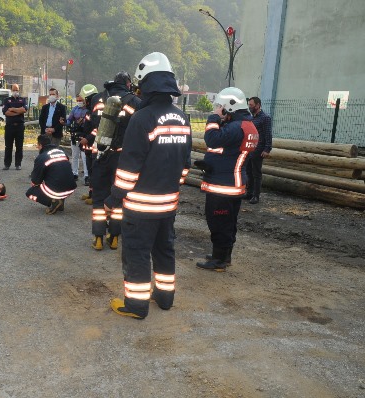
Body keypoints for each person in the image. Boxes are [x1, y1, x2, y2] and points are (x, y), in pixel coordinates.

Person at [104, 52, 192, 320]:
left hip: (141, 207)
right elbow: (185, 165)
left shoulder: (142, 119)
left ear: (145, 84)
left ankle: (136, 305)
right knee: (165, 251)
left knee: (137, 254)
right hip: (169, 204)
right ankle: (165, 298)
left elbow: (129, 168)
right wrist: (171, 188)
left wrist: (114, 198)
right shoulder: (183, 119)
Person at [195, 87, 258, 272]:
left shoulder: (235, 127)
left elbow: (212, 139)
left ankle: (218, 261)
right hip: (233, 182)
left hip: (223, 187)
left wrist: (213, 118)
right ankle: (223, 255)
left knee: (219, 223)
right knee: (229, 223)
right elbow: (227, 151)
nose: (219, 111)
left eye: (221, 108)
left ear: (230, 106)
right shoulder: (247, 126)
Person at [89, 71, 142, 251]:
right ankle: (114, 237)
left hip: (100, 153)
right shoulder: (134, 101)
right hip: (122, 157)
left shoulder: (98, 98)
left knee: (98, 197)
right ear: (128, 84)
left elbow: (92, 125)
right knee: (118, 199)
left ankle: (97, 237)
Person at [26, 134, 77, 215]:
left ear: (41, 145)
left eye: (37, 145)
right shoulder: (61, 151)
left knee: (30, 192)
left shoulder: (41, 157)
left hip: (57, 190)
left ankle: (54, 201)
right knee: (57, 177)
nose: (37, 147)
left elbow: (36, 181)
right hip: (71, 187)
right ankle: (60, 202)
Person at [246, 96, 272, 204]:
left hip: (259, 149)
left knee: (256, 173)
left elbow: (268, 134)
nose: (249, 107)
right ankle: (249, 193)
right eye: (249, 105)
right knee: (248, 172)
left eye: (251, 105)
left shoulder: (265, 118)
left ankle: (256, 196)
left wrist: (267, 149)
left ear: (258, 105)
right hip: (249, 149)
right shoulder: (251, 118)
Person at [2, 83, 28, 170]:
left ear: (19, 90)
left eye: (17, 90)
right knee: (8, 146)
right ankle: (7, 164)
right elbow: (6, 112)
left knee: (19, 146)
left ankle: (18, 164)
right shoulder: (7, 100)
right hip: (9, 127)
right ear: (11, 90)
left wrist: (12, 109)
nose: (15, 91)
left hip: (19, 127)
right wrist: (18, 111)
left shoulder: (23, 100)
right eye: (14, 90)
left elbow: (24, 109)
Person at [66, 94, 89, 181]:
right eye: (78, 100)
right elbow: (69, 120)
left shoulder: (88, 109)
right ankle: (74, 173)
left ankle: (86, 175)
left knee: (84, 156)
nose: (79, 102)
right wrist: (65, 122)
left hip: (85, 134)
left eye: (81, 100)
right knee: (75, 155)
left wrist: (84, 120)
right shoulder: (75, 109)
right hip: (76, 133)